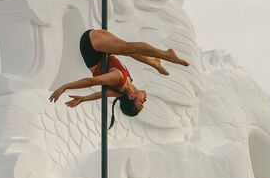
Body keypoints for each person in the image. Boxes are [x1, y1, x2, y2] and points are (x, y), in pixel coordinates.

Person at [49, 29, 189, 128]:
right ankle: (155, 62)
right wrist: (83, 99)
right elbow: (99, 95)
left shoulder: (117, 78)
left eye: (141, 103)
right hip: (103, 51)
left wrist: (65, 86)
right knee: (128, 51)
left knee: (128, 49)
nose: (145, 101)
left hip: (90, 45)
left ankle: (166, 55)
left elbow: (91, 82)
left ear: (132, 96)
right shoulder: (120, 91)